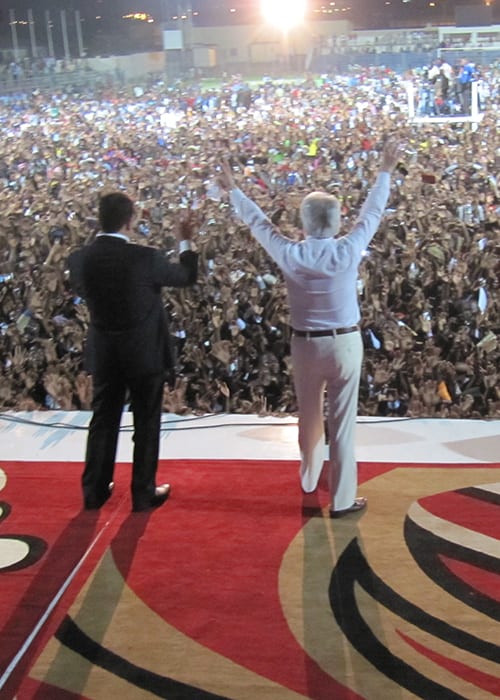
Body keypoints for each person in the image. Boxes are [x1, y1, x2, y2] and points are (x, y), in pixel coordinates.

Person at [217, 138, 403, 517]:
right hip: (345, 344)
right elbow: (373, 213)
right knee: (343, 425)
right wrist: (384, 170)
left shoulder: (289, 253)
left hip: (304, 346)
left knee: (308, 415)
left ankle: (308, 478)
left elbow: (258, 222)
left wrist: (233, 188)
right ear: (337, 221)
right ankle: (343, 499)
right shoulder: (349, 249)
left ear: (302, 222)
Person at [68, 192, 198, 511]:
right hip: (144, 354)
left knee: (103, 420)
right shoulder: (146, 257)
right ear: (131, 220)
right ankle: (143, 492)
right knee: (146, 421)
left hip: (105, 353)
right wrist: (185, 242)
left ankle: (95, 491)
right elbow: (187, 277)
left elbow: (83, 290)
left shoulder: (79, 259)